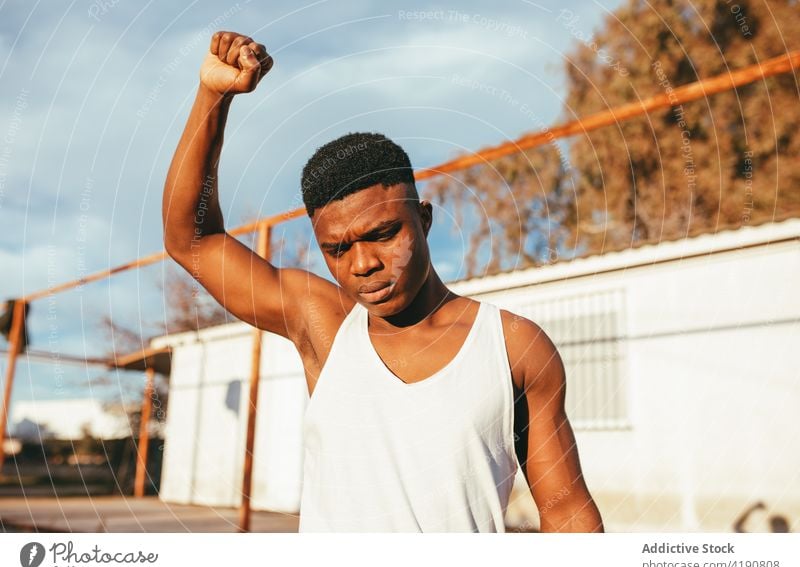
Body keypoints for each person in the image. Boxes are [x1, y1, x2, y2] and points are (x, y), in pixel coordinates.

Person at [162, 30, 604, 533]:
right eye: (337, 248)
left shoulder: (511, 346)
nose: (363, 263)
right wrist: (213, 97)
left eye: (384, 234)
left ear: (426, 220)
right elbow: (190, 240)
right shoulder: (325, 326)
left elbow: (566, 511)